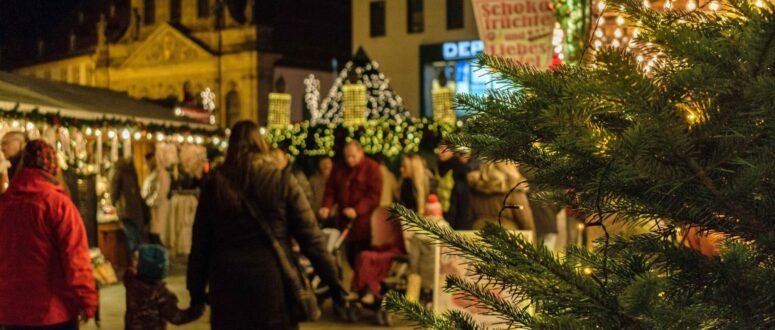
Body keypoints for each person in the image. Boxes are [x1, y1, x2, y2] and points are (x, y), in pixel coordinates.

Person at [187, 121, 345, 329]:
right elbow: (311, 238)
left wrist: (196, 292)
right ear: (261, 144)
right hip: (271, 281)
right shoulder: (280, 180)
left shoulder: (214, 184)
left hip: (227, 283)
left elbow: (201, 244)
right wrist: (334, 282)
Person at [0, 140, 98, 329]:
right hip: (52, 312)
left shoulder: (4, 204)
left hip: (10, 311)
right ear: (53, 168)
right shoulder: (58, 204)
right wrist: (88, 302)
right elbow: (76, 259)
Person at [319, 141, 383, 267]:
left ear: (361, 152)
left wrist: (357, 210)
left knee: (363, 259)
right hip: (345, 225)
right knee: (350, 258)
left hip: (365, 225)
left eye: (352, 156)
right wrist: (326, 206)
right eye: (347, 156)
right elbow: (330, 190)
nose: (349, 160)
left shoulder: (372, 168)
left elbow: (374, 196)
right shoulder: (339, 168)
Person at [125, 244, 203, 329]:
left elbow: (129, 272)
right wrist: (197, 309)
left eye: (136, 261)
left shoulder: (131, 283)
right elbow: (177, 318)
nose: (133, 262)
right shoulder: (162, 295)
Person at [468, 161, 535, 231]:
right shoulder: (515, 192)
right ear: (509, 169)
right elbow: (527, 225)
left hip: (479, 236)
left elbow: (469, 217)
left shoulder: (475, 189)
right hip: (509, 238)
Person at [111, 158, 149, 252]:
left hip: (126, 212)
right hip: (136, 211)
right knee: (137, 238)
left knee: (132, 241)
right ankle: (140, 261)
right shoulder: (132, 171)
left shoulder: (118, 171)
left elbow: (114, 191)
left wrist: (113, 202)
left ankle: (136, 262)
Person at [434, 144, 472, 229]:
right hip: (440, 213)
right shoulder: (439, 166)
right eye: (440, 148)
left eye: (445, 149)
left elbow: (463, 197)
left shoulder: (459, 169)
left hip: (455, 216)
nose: (441, 152)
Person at [308, 156, 333, 222]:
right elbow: (310, 198)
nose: (326, 166)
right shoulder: (313, 180)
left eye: (328, 163)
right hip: (316, 216)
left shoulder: (337, 179)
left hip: (334, 216)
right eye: (323, 163)